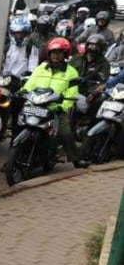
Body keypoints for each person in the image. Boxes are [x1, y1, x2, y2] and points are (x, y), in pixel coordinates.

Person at [20, 37, 87, 168]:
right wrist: (23, 91)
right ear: (49, 54)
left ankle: (75, 159)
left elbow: (71, 92)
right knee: (20, 125)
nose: (56, 56)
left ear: (65, 55)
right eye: (54, 52)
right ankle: (15, 154)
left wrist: (63, 106)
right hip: (36, 105)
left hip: (55, 108)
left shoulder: (71, 72)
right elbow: (30, 83)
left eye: (60, 53)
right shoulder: (41, 68)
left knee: (65, 133)